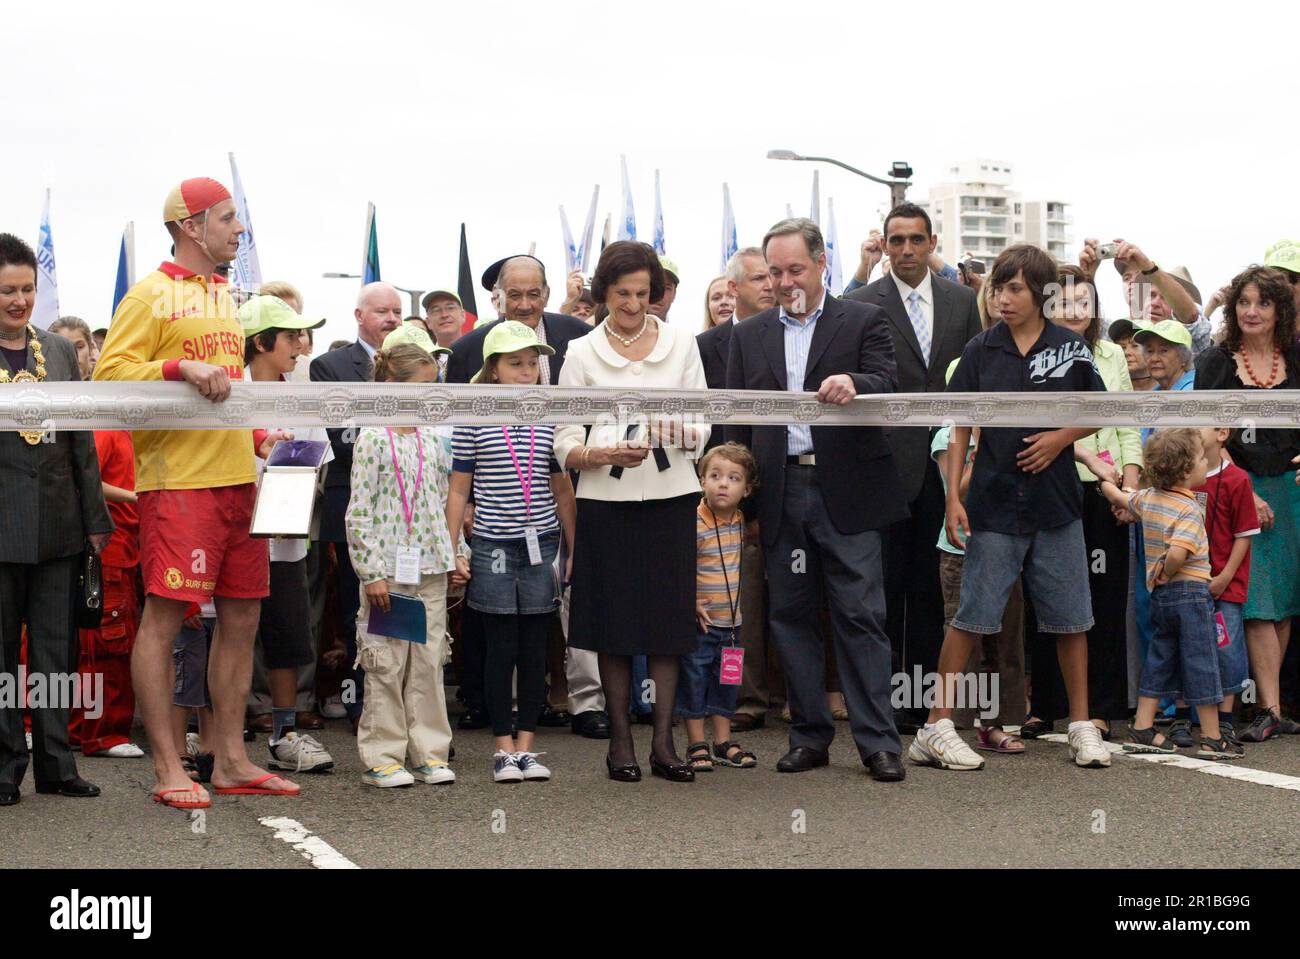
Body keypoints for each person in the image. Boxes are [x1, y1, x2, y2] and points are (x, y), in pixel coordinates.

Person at [95, 178, 296, 808]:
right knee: (165, 619)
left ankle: (231, 759)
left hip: (238, 478)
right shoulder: (150, 294)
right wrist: (179, 368)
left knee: (243, 617)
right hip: (178, 485)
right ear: (192, 225)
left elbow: (228, 385)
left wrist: (261, 434)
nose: (240, 229)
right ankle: (167, 767)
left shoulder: (222, 292)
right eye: (230, 219)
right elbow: (109, 378)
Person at [725, 218, 908, 783]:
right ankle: (808, 737)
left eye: (795, 269)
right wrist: (747, 507)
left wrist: (857, 382)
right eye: (775, 272)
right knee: (790, 618)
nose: (784, 281)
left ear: (822, 262)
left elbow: (889, 379)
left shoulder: (864, 318)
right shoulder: (749, 334)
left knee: (861, 616)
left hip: (847, 492)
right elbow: (735, 420)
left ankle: (880, 744)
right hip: (780, 491)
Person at [916, 244, 1112, 771]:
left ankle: (1080, 726)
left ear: (1042, 294)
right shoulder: (979, 351)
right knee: (970, 617)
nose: (1003, 298)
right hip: (993, 504)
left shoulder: (1072, 349)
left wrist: (1059, 439)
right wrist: (953, 496)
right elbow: (958, 426)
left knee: (1072, 619)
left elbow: (1100, 409)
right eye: (998, 287)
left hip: (1057, 504)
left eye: (1015, 288)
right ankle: (934, 726)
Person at [554, 240, 710, 783]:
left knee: (668, 624)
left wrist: (676, 431)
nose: (634, 304)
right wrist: (597, 454)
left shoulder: (682, 343)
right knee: (615, 624)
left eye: (643, 293)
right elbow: (564, 435)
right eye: (623, 294)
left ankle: (665, 743)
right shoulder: (580, 352)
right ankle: (620, 742)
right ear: (604, 293)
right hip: (605, 500)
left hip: (671, 496)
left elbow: (705, 422)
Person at [448, 255, 610, 740]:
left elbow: (564, 468)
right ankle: (490, 713)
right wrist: (459, 529)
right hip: (492, 519)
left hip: (559, 498)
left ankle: (572, 701)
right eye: (512, 295)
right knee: (497, 629)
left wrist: (575, 538)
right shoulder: (467, 349)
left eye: (533, 293)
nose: (524, 303)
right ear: (496, 297)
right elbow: (460, 462)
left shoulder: (577, 336)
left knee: (551, 619)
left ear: (547, 291)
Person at [844, 203, 982, 732]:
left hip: (948, 467)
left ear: (931, 243)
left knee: (934, 589)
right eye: (896, 240)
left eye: (915, 240)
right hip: (883, 464)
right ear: (885, 243)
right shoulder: (859, 303)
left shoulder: (963, 301)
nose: (905, 250)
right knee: (882, 589)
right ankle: (879, 705)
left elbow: (971, 381)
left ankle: (925, 707)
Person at [0, 233, 113, 806]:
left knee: (55, 651)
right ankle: (4, 766)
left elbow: (81, 441)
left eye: (26, 290)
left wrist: (95, 519)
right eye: (6, 292)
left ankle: (56, 763)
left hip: (59, 526)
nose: (18, 302)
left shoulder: (61, 351)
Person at [446, 322, 576, 783]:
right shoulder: (473, 415)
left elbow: (562, 490)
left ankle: (528, 747)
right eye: (514, 363)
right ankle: (502, 748)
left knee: (535, 647)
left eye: (532, 364)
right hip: (493, 545)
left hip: (541, 543)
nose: (525, 372)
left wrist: (572, 549)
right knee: (500, 648)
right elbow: (458, 489)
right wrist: (453, 547)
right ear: (494, 369)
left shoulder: (550, 415)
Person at [1025, 265, 1141, 740]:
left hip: (1107, 491)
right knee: (1046, 597)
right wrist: (1084, 455)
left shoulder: (1111, 353)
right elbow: (1034, 424)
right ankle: (1046, 705)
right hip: (1049, 482)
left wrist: (1128, 486)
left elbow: (1127, 420)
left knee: (1105, 600)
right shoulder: (1034, 353)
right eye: (1064, 302)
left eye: (1084, 302)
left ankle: (1098, 707)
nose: (1075, 311)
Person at [1194, 265, 1300, 741]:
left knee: (1283, 601)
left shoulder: (1296, 357)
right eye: (1243, 302)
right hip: (1238, 488)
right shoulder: (1217, 362)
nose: (1251, 311)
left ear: (1280, 310)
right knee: (1255, 601)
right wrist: (1243, 487)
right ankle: (1271, 708)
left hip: (1292, 490)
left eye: (1263, 303)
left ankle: (1270, 706)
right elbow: (1203, 433)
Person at [346, 344, 458, 787]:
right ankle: (383, 756)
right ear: (392, 387)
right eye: (421, 387)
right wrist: (370, 571)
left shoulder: (433, 437)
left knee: (429, 662)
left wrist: (457, 550)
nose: (429, 396)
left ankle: (430, 751)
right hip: (388, 571)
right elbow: (359, 510)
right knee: (386, 663)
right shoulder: (373, 437)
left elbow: (442, 497)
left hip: (429, 565)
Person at [1095, 430, 1242, 759]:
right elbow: (1178, 553)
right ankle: (1212, 735)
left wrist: (1104, 480)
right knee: (1202, 661)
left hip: (1161, 598)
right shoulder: (1189, 510)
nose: (1207, 462)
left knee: (1161, 657)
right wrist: (1168, 569)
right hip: (1190, 593)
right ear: (1186, 470)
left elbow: (1119, 498)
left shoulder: (1148, 498)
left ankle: (1144, 725)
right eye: (1202, 459)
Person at [240, 294, 335, 774]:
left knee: (286, 638)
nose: (301, 345)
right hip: (231, 539)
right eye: (291, 336)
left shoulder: (303, 395)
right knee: (223, 639)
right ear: (260, 342)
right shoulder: (226, 392)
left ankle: (282, 733)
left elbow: (320, 466)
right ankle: (204, 734)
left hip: (285, 542)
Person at [309, 281, 404, 731]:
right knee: (356, 606)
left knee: (403, 602)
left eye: (398, 311)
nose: (391, 319)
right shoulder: (329, 366)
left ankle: (399, 699)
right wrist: (391, 436)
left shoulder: (412, 362)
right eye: (382, 311)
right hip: (354, 504)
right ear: (359, 316)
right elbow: (340, 439)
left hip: (408, 506)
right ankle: (359, 700)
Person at [696, 247, 774, 731]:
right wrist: (719, 491)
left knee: (777, 603)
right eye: (759, 278)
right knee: (728, 604)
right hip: (722, 499)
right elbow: (709, 427)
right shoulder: (705, 347)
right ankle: (736, 702)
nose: (770, 285)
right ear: (732, 289)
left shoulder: (787, 336)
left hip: (776, 486)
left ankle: (777, 694)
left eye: (774, 276)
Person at [931, 360, 1027, 751]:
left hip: (1007, 545)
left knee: (1006, 639)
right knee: (963, 635)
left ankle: (1000, 723)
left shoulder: (1011, 431)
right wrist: (985, 445)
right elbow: (960, 492)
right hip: (961, 551)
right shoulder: (945, 437)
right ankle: (952, 725)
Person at [679, 443, 759, 772]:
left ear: (747, 489)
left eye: (733, 478)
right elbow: (677, 567)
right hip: (702, 624)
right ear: (701, 481)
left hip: (732, 626)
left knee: (727, 683)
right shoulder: (693, 523)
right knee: (694, 679)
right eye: (715, 476)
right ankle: (696, 743)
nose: (723, 483)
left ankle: (723, 741)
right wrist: (689, 600)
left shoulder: (740, 522)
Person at [1192, 426, 1258, 745]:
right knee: (1189, 646)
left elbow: (1245, 534)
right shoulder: (1186, 476)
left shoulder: (1238, 479)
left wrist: (1224, 578)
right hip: (1189, 581)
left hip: (1226, 586)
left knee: (1227, 650)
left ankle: (1225, 720)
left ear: (1221, 433)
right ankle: (1184, 717)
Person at [1089, 238, 1211, 355]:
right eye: (1151, 295)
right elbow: (1083, 323)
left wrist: (1148, 266)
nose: (1155, 303)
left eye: (1166, 298)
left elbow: (1191, 317)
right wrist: (1086, 275)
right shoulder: (1120, 334)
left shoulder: (1189, 341)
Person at [1107, 319, 1155, 391]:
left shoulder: (1170, 387)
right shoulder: (1108, 387)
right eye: (1122, 347)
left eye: (1134, 346)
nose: (1126, 352)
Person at [49, 316, 98, 380]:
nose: (73, 354)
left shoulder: (105, 386)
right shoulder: (38, 388)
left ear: (90, 349)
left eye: (80, 347)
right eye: (64, 348)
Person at [422, 288, 466, 353]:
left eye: (450, 308)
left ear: (463, 315)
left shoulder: (479, 353)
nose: (444, 315)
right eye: (436, 310)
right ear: (428, 322)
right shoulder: (423, 360)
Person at [649, 256, 680, 322]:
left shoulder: (680, 332)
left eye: (667, 288)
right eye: (654, 285)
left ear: (674, 294)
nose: (659, 293)